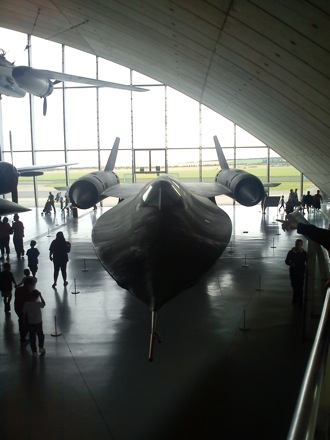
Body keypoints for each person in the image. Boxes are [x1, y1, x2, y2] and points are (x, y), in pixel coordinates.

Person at [22, 289, 46, 357]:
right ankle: (41, 348)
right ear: (37, 297)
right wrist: (41, 296)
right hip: (38, 322)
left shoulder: (26, 304)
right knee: (40, 335)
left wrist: (23, 322)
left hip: (30, 323)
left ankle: (34, 352)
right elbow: (44, 304)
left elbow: (24, 314)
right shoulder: (38, 304)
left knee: (32, 337)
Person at [285, 239, 307, 306]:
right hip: (293, 272)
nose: (297, 246)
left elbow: (308, 261)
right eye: (296, 244)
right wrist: (291, 263)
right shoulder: (291, 252)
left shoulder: (304, 253)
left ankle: (299, 301)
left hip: (300, 272)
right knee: (294, 285)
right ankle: (296, 297)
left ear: (301, 245)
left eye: (299, 245)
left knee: (300, 286)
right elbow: (286, 261)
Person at [14, 277, 35, 343]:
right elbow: (30, 301)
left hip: (17, 308)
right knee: (27, 323)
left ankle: (22, 336)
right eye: (32, 284)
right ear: (29, 284)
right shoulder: (27, 291)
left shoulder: (18, 289)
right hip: (24, 309)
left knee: (21, 320)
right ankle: (23, 336)